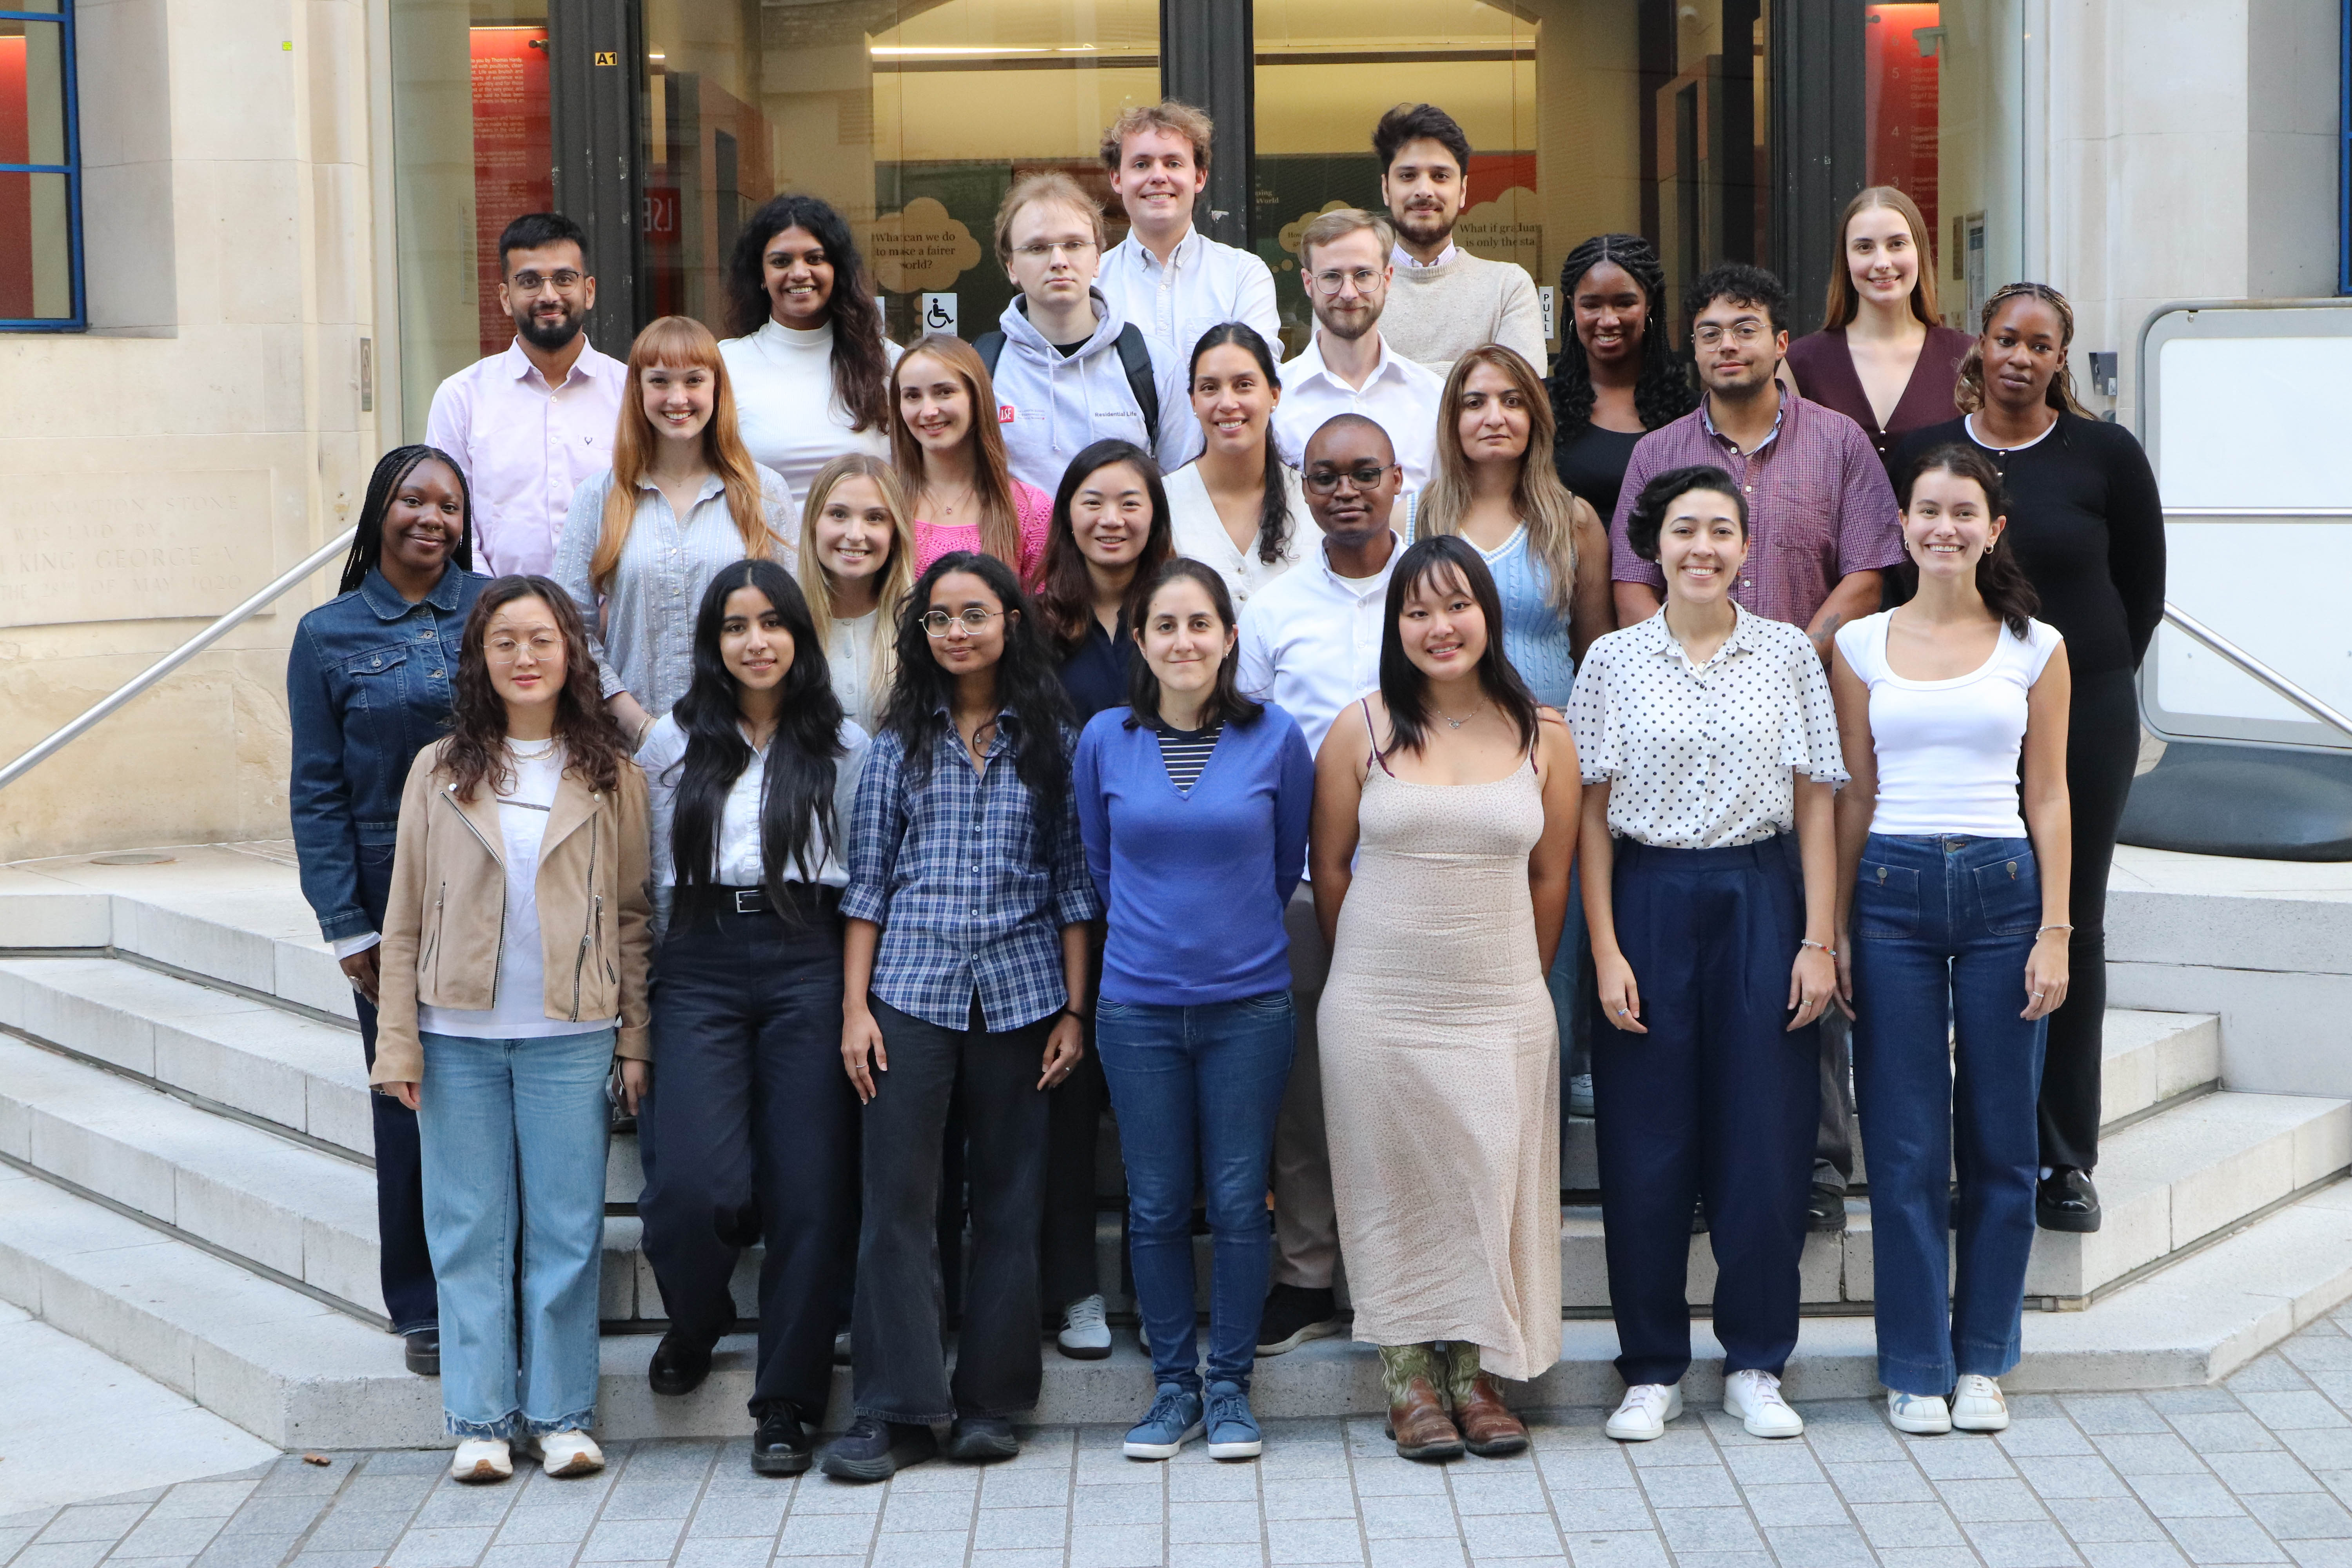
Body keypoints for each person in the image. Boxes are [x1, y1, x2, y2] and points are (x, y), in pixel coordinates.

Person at [1610, 264, 1904, 1230]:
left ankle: (1815, 1162)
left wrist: (1780, 661)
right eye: (1710, 332)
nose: (1727, 345)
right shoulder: (1657, 452)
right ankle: (1701, 1168)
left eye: (1746, 328)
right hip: (1679, 735)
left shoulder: (1840, 442)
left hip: (1805, 712)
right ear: (1690, 348)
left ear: (1782, 343)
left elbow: (1869, 570)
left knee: (1802, 936)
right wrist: (1687, 667)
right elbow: (1631, 578)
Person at [1570, 466, 1846, 1446]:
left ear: (1745, 545)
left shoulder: (1787, 653)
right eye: (1684, 529)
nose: (1703, 547)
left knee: (1765, 1138)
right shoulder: (1611, 660)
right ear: (1655, 544)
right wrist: (1605, 948)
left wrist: (1818, 939)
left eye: (1721, 530)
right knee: (1644, 1144)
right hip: (1646, 896)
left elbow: (1817, 801)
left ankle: (1758, 1361)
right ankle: (1651, 1367)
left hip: (1760, 895)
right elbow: (1589, 815)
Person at [822, 552, 1101, 1482]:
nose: (955, 632)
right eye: (938, 618)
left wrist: (1075, 1010)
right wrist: (855, 1008)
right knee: (898, 1202)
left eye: (973, 614)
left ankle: (990, 1402)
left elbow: (1073, 885)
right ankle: (897, 1408)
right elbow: (867, 886)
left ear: (1011, 622)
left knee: (1012, 1200)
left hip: (1024, 993)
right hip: (909, 991)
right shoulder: (896, 743)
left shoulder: (1054, 740)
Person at [1893, 282, 2164, 1233]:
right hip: (1960, 711)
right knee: (1969, 924)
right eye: (2006, 338)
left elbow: (2142, 589)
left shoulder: (2105, 454)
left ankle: (2062, 1155)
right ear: (1982, 343)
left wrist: (2082, 673)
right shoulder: (1930, 450)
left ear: (2060, 358)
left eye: (2039, 345)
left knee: (2068, 921)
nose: (2020, 356)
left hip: (2082, 709)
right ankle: (1973, 1146)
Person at [372, 575, 652, 1485]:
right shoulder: (438, 769)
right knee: (467, 1228)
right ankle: (482, 1420)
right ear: (480, 657)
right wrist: (398, 1040)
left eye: (542, 639)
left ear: (570, 652)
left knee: (567, 1229)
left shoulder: (611, 773)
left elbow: (635, 916)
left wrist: (636, 1037)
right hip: (456, 1035)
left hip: (572, 1031)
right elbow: (404, 915)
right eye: (506, 641)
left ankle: (563, 1416)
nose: (525, 657)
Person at [1311, 534, 1576, 1461]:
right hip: (1376, 1003)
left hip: (1500, 1001)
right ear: (1396, 626)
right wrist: (1363, 971)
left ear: (1488, 615)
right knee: (1389, 1186)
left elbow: (1551, 877)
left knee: (1487, 1180)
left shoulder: (1545, 734)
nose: (1440, 626)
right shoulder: (1360, 728)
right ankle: (1408, 1382)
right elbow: (1331, 867)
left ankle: (1475, 1374)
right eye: (1417, 611)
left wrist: (1520, 977)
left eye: (1457, 605)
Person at [1830, 443, 2073, 1437]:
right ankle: (1915, 1364)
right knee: (1904, 1145)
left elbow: (2049, 794)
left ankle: (1982, 1360)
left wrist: (2056, 929)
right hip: (1888, 892)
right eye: (1927, 509)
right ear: (1902, 524)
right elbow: (1852, 795)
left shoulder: (2036, 646)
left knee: (2003, 1142)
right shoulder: (1859, 645)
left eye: (1964, 511)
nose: (1944, 526)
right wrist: (1833, 929)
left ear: (1993, 529)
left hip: (2005, 893)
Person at [1073, 558, 1314, 1461]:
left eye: (1199, 624)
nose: (1184, 641)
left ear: (1229, 637)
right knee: (1156, 1203)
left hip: (1247, 1006)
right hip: (1136, 1009)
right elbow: (1100, 865)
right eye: (1165, 625)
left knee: (1240, 1202)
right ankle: (1174, 1385)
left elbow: (1284, 862)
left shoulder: (1276, 737)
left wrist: (1221, 940)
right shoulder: (1105, 738)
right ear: (1139, 641)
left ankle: (1231, 1388)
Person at [634, 560, 867, 1476]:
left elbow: (866, 879)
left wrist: (855, 999)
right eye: (736, 625)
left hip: (809, 951)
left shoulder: (843, 744)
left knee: (810, 1190)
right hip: (698, 958)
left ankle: (786, 1402)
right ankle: (698, 1318)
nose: (756, 640)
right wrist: (641, 1005)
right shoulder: (670, 742)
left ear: (800, 637)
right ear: (714, 642)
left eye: (773, 622)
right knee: (695, 1187)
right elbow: (646, 877)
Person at [287, 445, 487, 1380]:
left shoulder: (496, 609)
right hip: (385, 895)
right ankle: (423, 1301)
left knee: (494, 1088)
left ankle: (501, 1279)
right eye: (414, 499)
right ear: (379, 511)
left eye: (450, 505)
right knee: (406, 1095)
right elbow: (316, 789)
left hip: (497, 883)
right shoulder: (326, 634)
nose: (432, 518)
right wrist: (344, 922)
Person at [1233, 413, 1408, 1358]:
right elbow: (1251, 748)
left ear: (1397, 480)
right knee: (1305, 1090)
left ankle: (1401, 1281)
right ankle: (1305, 1275)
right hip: (1305, 881)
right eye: (1326, 476)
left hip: (1420, 877)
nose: (1347, 491)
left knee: (1407, 1084)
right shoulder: (1272, 609)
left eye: (1364, 472)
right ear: (1302, 490)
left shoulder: (1436, 590)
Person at [1031, 438, 1176, 1357]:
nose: (1111, 518)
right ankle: (1075, 1286)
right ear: (1066, 515)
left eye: (1130, 501)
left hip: (1165, 874)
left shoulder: (1182, 610)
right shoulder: (1039, 620)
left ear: (1155, 513)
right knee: (1068, 1087)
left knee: (1162, 1090)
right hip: (1061, 874)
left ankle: (1162, 1283)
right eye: (1092, 501)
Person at [554, 315, 795, 742]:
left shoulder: (765, 493)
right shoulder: (598, 497)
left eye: (694, 380)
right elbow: (569, 628)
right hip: (632, 747)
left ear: (717, 388)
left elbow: (794, 621)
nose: (678, 398)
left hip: (746, 743)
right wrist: (637, 723)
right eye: (660, 381)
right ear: (639, 390)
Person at [427, 213, 626, 578]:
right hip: (493, 609)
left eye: (564, 279)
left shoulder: (631, 393)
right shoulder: (461, 399)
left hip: (612, 610)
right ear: (506, 297)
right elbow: (449, 520)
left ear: (589, 291)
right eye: (530, 282)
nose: (549, 296)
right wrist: (495, 602)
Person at [1416, 343, 1612, 704]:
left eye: (1512, 402)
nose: (1495, 418)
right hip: (1443, 730)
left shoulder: (1573, 520)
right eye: (1475, 403)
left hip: (1549, 729)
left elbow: (1597, 657)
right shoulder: (1413, 517)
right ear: (1452, 419)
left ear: (1534, 415)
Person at [980, 172, 1198, 490]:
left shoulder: (1155, 366)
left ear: (1097, 259)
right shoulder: (980, 368)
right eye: (1038, 248)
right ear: (1012, 267)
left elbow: (1181, 492)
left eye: (1074, 245)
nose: (1059, 261)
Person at [719, 194, 904, 501]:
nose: (799, 273)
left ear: (837, 269)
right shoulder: (724, 365)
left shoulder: (889, 363)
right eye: (781, 262)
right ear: (761, 276)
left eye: (815, 259)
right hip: (759, 535)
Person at [1785, 187, 1975, 469]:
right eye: (1865, 247)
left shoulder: (1967, 356)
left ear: (1920, 253)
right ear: (1846, 260)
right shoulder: (1799, 363)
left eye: (1897, 244)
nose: (1883, 263)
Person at [1271, 210, 1446, 494]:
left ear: (1388, 278)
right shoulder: (1274, 403)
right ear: (1308, 283)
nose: (1349, 293)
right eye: (1331, 276)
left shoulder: (1434, 398)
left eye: (1363, 275)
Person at [1094, 102, 1281, 362]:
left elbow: (1255, 377)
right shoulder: (1092, 283)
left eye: (1173, 164)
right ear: (1117, 179)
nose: (1158, 176)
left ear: (1199, 178)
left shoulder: (1243, 276)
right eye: (1141, 165)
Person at [1371, 103, 1548, 379]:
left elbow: (1521, 393)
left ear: (1463, 190)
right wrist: (1472, 377)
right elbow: (1336, 388)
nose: (1424, 191)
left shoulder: (1507, 287)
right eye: (1408, 176)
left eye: (1440, 176)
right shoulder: (1352, 286)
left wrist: (1384, 376)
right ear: (1386, 189)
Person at [1163, 323, 1318, 615]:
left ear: (1274, 395)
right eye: (1210, 388)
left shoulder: (1314, 500)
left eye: (1244, 385)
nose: (1227, 403)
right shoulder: (1163, 501)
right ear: (1194, 401)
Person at [1547, 233, 1699, 522]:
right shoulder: (1540, 405)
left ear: (1649, 303)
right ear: (1572, 305)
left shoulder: (1691, 411)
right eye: (1591, 305)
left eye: (1624, 303)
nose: (1608, 320)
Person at [890, 332, 1055, 585]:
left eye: (944, 392)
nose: (929, 411)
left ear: (976, 397)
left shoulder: (1031, 510)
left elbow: (1045, 607)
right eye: (913, 396)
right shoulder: (884, 501)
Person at [798, 453, 916, 734]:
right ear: (813, 523)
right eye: (839, 514)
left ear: (895, 533)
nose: (855, 534)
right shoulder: (782, 624)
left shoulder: (921, 624)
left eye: (875, 518)